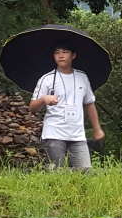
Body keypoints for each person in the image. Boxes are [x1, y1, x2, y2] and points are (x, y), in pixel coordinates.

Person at [31, 42, 105, 170]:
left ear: (73, 55)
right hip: (54, 134)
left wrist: (97, 129)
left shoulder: (82, 76)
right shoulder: (47, 79)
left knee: (85, 172)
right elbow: (32, 107)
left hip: (78, 135)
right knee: (56, 173)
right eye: (57, 52)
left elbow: (90, 103)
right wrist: (44, 99)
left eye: (65, 52)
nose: (60, 56)